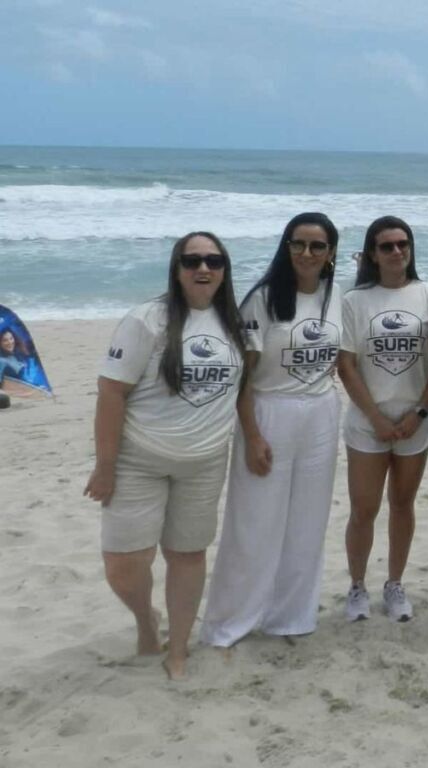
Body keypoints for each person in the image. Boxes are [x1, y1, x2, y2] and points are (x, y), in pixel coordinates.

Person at [83, 232, 245, 679]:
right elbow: (112, 391)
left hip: (205, 462)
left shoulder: (235, 320)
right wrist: (105, 466)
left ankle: (177, 650)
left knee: (187, 555)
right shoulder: (146, 320)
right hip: (139, 459)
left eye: (213, 260)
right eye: (192, 260)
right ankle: (144, 619)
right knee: (123, 563)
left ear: (225, 268)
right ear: (176, 269)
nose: (203, 268)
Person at [200, 212, 344, 647]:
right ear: (286, 247)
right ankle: (230, 623)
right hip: (268, 411)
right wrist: (253, 436)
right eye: (298, 244)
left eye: (317, 246)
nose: (307, 253)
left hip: (320, 412)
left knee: (307, 522)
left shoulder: (337, 295)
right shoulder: (262, 299)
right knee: (254, 522)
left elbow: (344, 359)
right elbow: (243, 376)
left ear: (330, 252)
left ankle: (290, 617)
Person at [338, 216, 428, 622]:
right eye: (386, 245)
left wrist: (420, 412)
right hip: (367, 422)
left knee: (402, 504)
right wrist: (375, 418)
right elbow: (347, 366)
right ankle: (357, 587)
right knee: (364, 508)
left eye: (402, 244)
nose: (396, 251)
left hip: (416, 419)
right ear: (372, 253)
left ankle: (394, 584)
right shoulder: (355, 301)